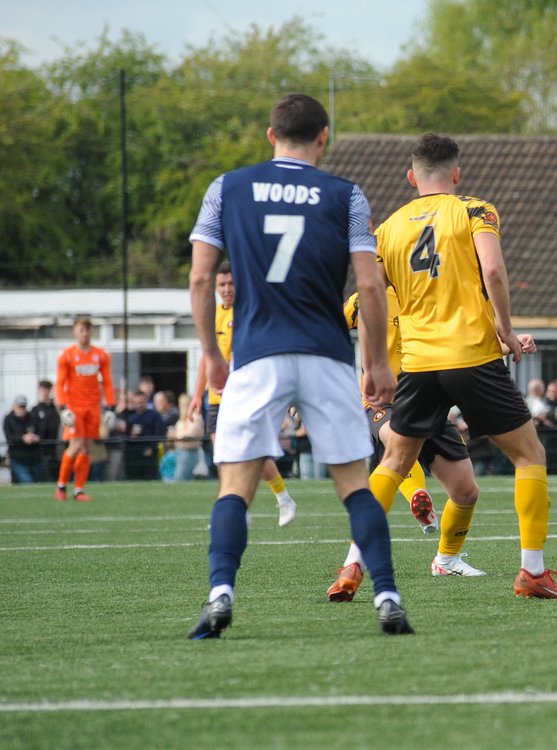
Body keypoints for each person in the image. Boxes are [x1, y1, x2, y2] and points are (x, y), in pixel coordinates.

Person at [186, 92, 410, 638]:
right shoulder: (346, 196)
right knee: (355, 485)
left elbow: (199, 278)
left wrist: (213, 354)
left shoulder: (227, 188)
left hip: (257, 352)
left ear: (271, 136)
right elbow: (370, 284)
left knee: (235, 487)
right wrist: (376, 360)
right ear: (323, 137)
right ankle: (385, 594)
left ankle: (220, 593)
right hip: (326, 353)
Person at [371, 132, 557, 599]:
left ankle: (353, 565)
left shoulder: (387, 229)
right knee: (529, 455)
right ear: (457, 173)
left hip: (419, 365)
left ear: (411, 176)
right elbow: (495, 271)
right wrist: (505, 328)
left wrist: (371, 364)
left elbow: (370, 298)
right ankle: (533, 572)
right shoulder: (475, 210)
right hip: (471, 354)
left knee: (394, 462)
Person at [325, 288, 515, 602]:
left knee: (466, 491)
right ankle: (353, 562)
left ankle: (446, 560)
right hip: (383, 402)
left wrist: (510, 344)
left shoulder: (438, 291)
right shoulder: (367, 297)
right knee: (397, 444)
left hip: (432, 401)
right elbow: (325, 329)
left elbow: (469, 342)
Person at [189, 260, 298, 527]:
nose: (226, 289)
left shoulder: (251, 312)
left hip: (246, 396)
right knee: (223, 457)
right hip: (216, 400)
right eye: (222, 285)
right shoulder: (212, 314)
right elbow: (206, 358)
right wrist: (196, 395)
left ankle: (283, 498)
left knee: (255, 455)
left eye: (231, 284)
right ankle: (237, 510)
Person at [54, 315, 115, 502]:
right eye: (81, 329)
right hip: (75, 407)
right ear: (75, 331)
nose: (85, 333)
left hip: (93, 407)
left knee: (87, 448)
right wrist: (63, 407)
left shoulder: (100, 355)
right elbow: (60, 383)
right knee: (76, 445)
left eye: (88, 329)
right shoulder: (67, 355)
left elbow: (107, 382)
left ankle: (78, 489)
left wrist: (111, 407)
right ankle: (62, 485)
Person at [123, 390, 166, 480]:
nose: (139, 405)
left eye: (141, 402)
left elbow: (159, 433)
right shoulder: (131, 418)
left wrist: (151, 447)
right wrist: (131, 436)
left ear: (146, 401)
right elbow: (126, 437)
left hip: (150, 452)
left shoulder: (154, 415)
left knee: (150, 477)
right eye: (137, 403)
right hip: (135, 453)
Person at [4, 396, 39, 484]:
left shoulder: (32, 417)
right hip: (17, 457)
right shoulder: (8, 419)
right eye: (19, 406)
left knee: (37, 482)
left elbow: (40, 432)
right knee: (27, 481)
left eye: (23, 406)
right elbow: (9, 437)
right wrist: (22, 438)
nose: (21, 409)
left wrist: (35, 437)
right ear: (14, 406)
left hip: (32, 457)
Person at [31, 380, 61, 482]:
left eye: (47, 389)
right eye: (42, 389)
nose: (45, 392)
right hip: (42, 448)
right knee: (45, 476)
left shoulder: (56, 408)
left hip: (57, 446)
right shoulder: (36, 409)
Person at [172, 393, 206, 482]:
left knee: (180, 478)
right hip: (180, 450)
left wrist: (176, 436)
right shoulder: (182, 419)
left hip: (189, 451)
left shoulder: (195, 417)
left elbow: (191, 434)